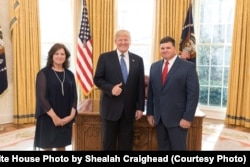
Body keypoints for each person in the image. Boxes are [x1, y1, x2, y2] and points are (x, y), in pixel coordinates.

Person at [93, 29, 145, 150]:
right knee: (108, 144)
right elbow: (97, 79)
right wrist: (111, 89)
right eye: (120, 40)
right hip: (110, 109)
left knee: (126, 145)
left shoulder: (138, 60)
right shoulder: (105, 57)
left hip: (129, 111)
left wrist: (140, 107)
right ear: (115, 41)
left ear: (130, 42)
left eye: (126, 39)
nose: (123, 42)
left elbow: (140, 86)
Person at [146, 36, 199, 150]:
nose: (165, 50)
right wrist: (150, 113)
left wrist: (188, 117)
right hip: (159, 119)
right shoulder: (154, 66)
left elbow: (193, 95)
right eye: (162, 48)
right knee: (163, 148)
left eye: (168, 48)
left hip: (179, 119)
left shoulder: (188, 67)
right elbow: (151, 93)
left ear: (174, 49)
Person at [34, 43, 78, 151]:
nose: (59, 56)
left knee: (61, 146)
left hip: (65, 117)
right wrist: (55, 117)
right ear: (51, 56)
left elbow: (74, 97)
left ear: (66, 57)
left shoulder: (70, 74)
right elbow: (41, 98)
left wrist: (71, 116)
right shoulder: (43, 73)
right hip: (48, 116)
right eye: (56, 53)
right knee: (47, 147)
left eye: (62, 54)